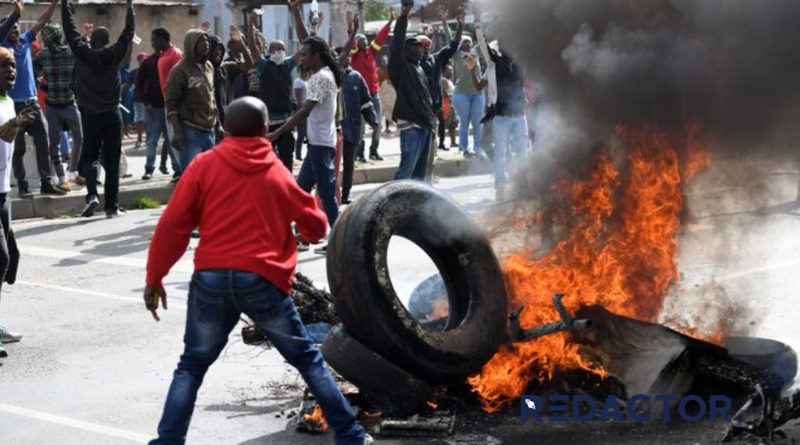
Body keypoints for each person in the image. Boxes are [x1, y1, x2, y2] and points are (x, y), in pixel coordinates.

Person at [144, 97, 371, 445]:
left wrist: (155, 277)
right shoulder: (276, 171)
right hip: (263, 281)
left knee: (191, 365)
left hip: (212, 279)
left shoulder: (204, 165)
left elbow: (173, 225)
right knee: (308, 361)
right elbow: (316, 226)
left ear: (225, 128)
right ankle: (351, 436)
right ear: (265, 130)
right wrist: (301, 231)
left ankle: (167, 441)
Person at [62, 0, 135, 218]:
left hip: (90, 115)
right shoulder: (114, 54)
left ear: (91, 40)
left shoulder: (82, 53)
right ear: (107, 41)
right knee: (111, 161)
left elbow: (69, 28)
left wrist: (65, 5)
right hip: (112, 114)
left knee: (90, 157)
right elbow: (128, 33)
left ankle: (92, 195)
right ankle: (112, 207)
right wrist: (130, 7)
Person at [269, 36, 343, 234]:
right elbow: (308, 37)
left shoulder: (321, 78)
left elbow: (304, 111)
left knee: (327, 194)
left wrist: (276, 133)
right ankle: (298, 232)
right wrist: (295, 11)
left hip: (321, 142)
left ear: (316, 56)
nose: (301, 58)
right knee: (300, 191)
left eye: (305, 55)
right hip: (319, 142)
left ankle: (341, 236)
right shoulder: (324, 74)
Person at [3, 0, 66, 197]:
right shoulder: (1, 46)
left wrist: (54, 3)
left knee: (44, 141)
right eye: (11, 27)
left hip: (32, 102)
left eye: (16, 27)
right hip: (15, 106)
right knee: (19, 147)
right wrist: (15, 14)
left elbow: (40, 21)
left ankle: (46, 182)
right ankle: (22, 186)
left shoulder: (24, 41)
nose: (14, 30)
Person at [0, 47, 34, 358]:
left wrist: (16, 124)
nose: (11, 71)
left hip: (3, 194)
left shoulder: (9, 102)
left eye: (13, 66)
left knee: (9, 258)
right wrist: (13, 125)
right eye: (5, 66)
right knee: (0, 258)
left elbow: (6, 141)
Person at [247, 0, 308, 172]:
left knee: (287, 159)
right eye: (276, 49)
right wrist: (251, 25)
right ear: (270, 52)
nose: (279, 53)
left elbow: (305, 46)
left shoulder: (287, 65)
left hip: (286, 121)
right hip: (268, 122)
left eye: (282, 49)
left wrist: (309, 24)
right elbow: (253, 48)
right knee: (266, 160)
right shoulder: (264, 65)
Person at [468, 46, 527, 201]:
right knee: (499, 151)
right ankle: (500, 187)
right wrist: (472, 70)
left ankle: (522, 186)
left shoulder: (519, 65)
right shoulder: (492, 67)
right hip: (498, 115)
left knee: (521, 152)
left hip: (519, 116)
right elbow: (478, 86)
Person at [389, 0, 436, 181]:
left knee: (420, 175)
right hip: (411, 127)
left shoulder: (420, 69)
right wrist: (403, 17)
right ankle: (393, 204)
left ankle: (414, 208)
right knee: (406, 172)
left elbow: (426, 99)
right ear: (407, 49)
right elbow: (397, 44)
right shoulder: (400, 67)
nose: (420, 49)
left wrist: (431, 124)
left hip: (424, 126)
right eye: (417, 46)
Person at [35, 23, 83, 191]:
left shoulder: (71, 53)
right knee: (53, 144)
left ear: (52, 38)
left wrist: (76, 86)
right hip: (52, 105)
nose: (43, 41)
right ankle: (62, 178)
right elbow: (34, 73)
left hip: (70, 103)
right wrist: (42, 86)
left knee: (79, 138)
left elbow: (79, 73)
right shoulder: (43, 55)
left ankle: (73, 172)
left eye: (45, 38)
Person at [421, 5, 464, 182]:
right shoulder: (410, 65)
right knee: (419, 148)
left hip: (434, 111)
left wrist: (460, 25)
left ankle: (429, 176)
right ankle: (420, 177)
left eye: (426, 46)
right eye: (421, 45)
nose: (424, 49)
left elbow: (453, 46)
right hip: (417, 112)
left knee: (431, 147)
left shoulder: (436, 59)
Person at [164, 29, 218, 172]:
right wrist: (177, 132)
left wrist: (218, 124)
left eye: (207, 40)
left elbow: (212, 96)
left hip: (209, 129)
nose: (206, 44)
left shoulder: (209, 67)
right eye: (201, 41)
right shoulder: (179, 70)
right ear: (191, 44)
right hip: (190, 130)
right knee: (193, 175)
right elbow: (171, 103)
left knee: (211, 174)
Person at [339, 17, 378, 205]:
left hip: (352, 128)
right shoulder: (332, 76)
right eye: (342, 56)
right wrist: (351, 32)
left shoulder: (356, 77)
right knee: (330, 165)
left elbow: (366, 102)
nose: (346, 58)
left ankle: (345, 194)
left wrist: (372, 119)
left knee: (348, 164)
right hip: (335, 130)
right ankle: (330, 195)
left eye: (348, 56)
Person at [350, 11, 393, 162]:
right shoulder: (354, 55)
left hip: (374, 95)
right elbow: (352, 44)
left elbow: (380, 38)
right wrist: (352, 29)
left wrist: (389, 23)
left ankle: (374, 151)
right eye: (362, 41)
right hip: (360, 97)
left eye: (365, 41)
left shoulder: (371, 53)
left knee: (378, 125)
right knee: (361, 127)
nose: (365, 42)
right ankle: (360, 154)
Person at [136, 41, 180, 180]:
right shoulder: (148, 62)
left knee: (171, 139)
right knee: (152, 141)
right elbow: (139, 84)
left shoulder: (171, 59)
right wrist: (146, 102)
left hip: (170, 107)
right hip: (154, 108)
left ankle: (177, 168)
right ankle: (149, 169)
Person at [207, 27, 252, 139]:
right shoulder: (201, 70)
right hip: (208, 120)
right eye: (214, 49)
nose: (218, 52)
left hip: (225, 118)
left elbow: (248, 65)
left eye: (219, 49)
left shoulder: (226, 67)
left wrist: (241, 44)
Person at [452, 32, 485, 159]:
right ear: (460, 45)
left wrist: (479, 23)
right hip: (461, 94)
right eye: (465, 43)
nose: (468, 45)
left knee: (478, 122)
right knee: (464, 122)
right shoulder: (456, 56)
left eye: (469, 43)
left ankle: (477, 148)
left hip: (478, 94)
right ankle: (464, 148)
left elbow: (482, 40)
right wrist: (444, 23)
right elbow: (451, 40)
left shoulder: (476, 52)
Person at [293, 66, 311, 161]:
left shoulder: (307, 82)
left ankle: (309, 154)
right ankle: (298, 155)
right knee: (301, 134)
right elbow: (299, 100)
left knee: (309, 135)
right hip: (302, 110)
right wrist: (301, 113)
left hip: (308, 110)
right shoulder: (298, 82)